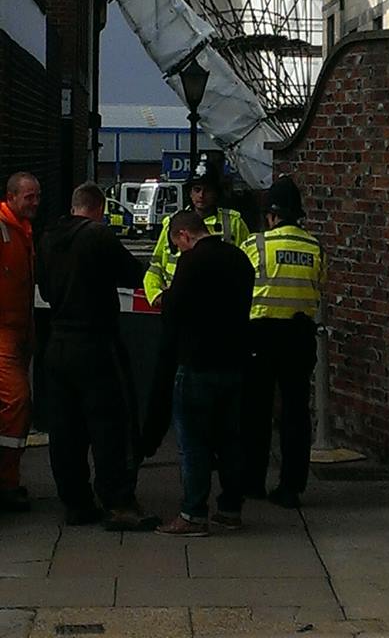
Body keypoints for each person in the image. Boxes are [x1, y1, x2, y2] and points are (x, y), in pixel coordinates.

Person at [37, 181, 156, 530]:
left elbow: (44, 287)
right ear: (99, 208)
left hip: (57, 343)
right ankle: (119, 503)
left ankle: (75, 502)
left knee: (65, 429)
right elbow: (134, 275)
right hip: (96, 342)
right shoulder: (98, 237)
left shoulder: (46, 238)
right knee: (111, 425)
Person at [149, 211, 255, 537]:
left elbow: (174, 309)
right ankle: (230, 509)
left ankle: (193, 514)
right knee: (230, 440)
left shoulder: (192, 262)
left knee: (193, 442)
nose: (179, 250)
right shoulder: (240, 259)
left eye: (177, 244)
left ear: (183, 235)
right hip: (235, 361)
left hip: (197, 362)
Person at [241, 177, 326, 509]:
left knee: (255, 412)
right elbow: (319, 287)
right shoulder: (314, 247)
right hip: (299, 336)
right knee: (295, 413)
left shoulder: (255, 245)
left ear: (271, 215)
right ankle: (291, 487)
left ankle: (252, 482)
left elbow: (240, 285)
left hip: (259, 335)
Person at [143, 161, 250, 307]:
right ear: (190, 192)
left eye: (208, 190)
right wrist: (156, 294)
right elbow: (155, 266)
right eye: (197, 189)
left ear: (216, 193)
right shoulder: (172, 223)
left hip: (218, 305)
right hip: (178, 303)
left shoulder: (233, 222)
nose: (201, 195)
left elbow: (247, 266)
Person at [0, 172, 41, 511]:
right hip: (4, 332)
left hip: (19, 331)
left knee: (16, 408)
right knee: (16, 402)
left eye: (37, 196)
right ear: (11, 197)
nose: (36, 203)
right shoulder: (6, 230)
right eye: (29, 197)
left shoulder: (22, 231)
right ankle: (7, 481)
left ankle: (9, 480)